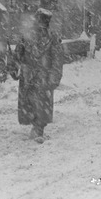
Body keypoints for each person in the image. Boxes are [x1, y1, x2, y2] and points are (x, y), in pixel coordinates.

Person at [12, 8, 64, 143]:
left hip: (43, 77)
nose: (40, 24)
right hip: (28, 76)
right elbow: (18, 53)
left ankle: (38, 128)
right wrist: (14, 67)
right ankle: (35, 126)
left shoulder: (53, 38)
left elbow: (57, 60)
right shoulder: (26, 36)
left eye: (43, 22)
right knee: (29, 104)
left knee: (41, 105)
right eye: (39, 21)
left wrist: (54, 76)